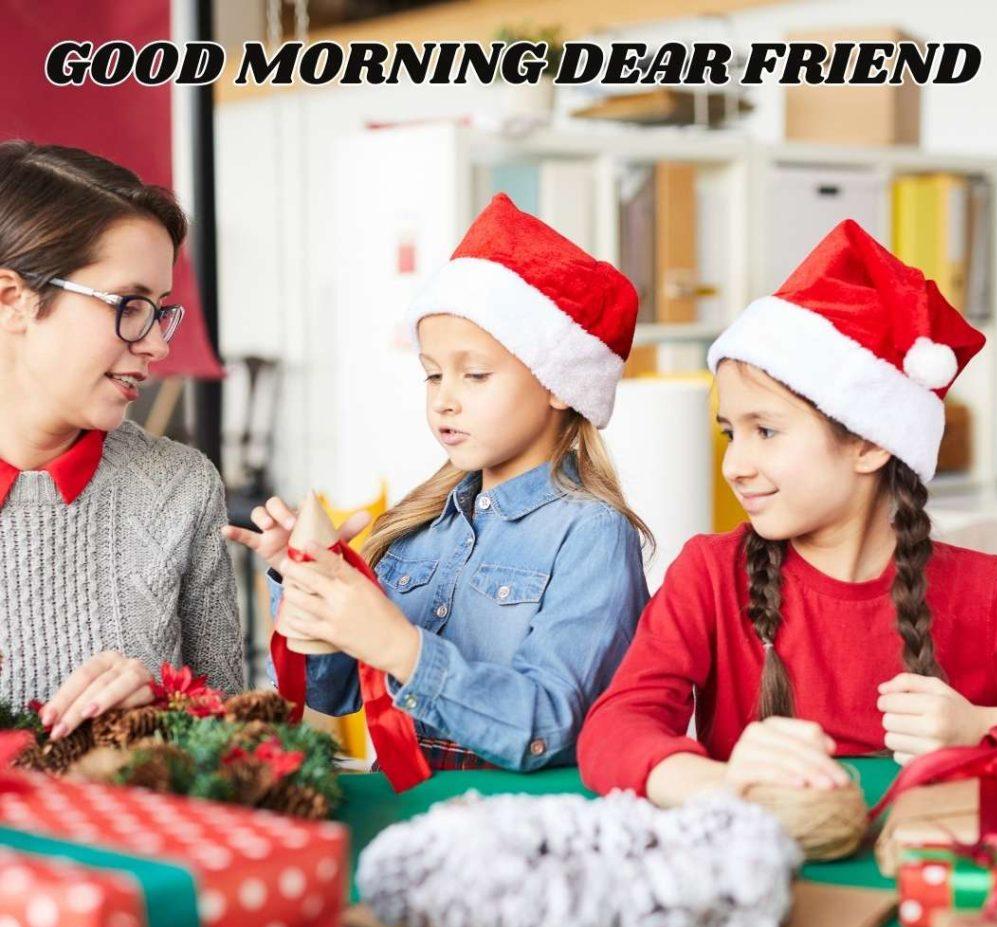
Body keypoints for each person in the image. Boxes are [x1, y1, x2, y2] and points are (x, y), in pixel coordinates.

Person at [579, 218, 997, 803]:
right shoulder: (711, 576)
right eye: (730, 433)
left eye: (765, 430)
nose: (734, 464)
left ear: (868, 442)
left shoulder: (986, 591)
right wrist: (726, 782)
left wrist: (981, 727)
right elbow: (613, 732)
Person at [225, 194, 650, 771]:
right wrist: (307, 583)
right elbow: (334, 693)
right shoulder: (418, 527)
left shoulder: (592, 534)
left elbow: (548, 725)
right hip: (409, 817)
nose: (445, 399)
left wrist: (401, 648)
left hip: (516, 832)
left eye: (474, 374)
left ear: (558, 384)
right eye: (432, 374)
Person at [0, 141, 245, 738]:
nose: (157, 345)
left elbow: (234, 740)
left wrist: (162, 718)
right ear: (13, 299)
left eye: (160, 310)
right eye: (129, 305)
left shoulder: (179, 487)